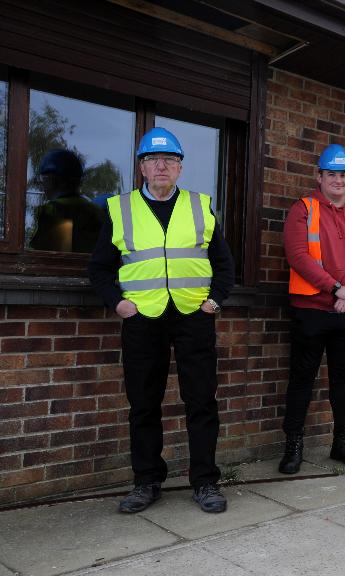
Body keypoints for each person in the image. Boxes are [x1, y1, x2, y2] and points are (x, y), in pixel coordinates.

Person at [88, 127, 234, 513]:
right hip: (142, 318)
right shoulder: (119, 209)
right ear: (141, 168)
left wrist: (214, 302)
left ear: (181, 168)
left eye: (170, 159)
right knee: (143, 404)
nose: (161, 166)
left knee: (201, 401)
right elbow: (100, 269)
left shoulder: (201, 206)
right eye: (153, 160)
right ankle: (146, 481)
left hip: (193, 316)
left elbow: (225, 265)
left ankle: (205, 482)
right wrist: (117, 303)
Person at [280, 143, 345, 475]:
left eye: (344, 174)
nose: (339, 180)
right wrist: (337, 289)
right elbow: (298, 256)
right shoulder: (303, 209)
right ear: (319, 176)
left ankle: (343, 442)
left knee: (343, 380)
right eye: (332, 174)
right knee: (301, 380)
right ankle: (293, 445)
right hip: (311, 310)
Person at [30, 148, 105, 252]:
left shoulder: (53, 210)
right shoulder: (98, 212)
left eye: (43, 178)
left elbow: (45, 255)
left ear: (53, 179)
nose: (41, 184)